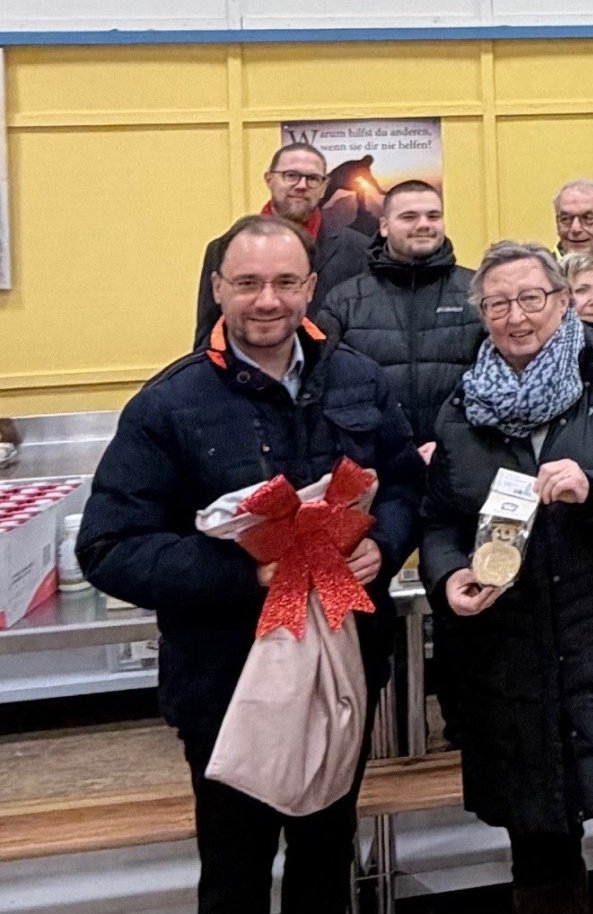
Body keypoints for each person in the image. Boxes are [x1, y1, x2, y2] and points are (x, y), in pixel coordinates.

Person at [80, 214, 423, 914]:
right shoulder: (168, 405)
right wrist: (244, 573)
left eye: (285, 282)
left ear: (311, 287)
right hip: (226, 682)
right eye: (248, 283)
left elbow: (407, 484)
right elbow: (108, 548)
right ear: (218, 289)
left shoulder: (358, 379)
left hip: (342, 669)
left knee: (325, 859)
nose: (267, 300)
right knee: (236, 872)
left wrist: (381, 545)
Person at [420, 242, 593, 914]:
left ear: (562, 300)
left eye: (530, 299)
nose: (516, 317)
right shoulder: (462, 408)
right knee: (540, 849)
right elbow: (437, 521)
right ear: (481, 314)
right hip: (512, 667)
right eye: (498, 303)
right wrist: (450, 575)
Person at [312, 180, 482, 461]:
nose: (424, 224)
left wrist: (458, 441)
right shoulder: (345, 300)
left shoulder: (478, 291)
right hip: (376, 466)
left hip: (461, 460)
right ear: (384, 226)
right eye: (409, 217)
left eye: (433, 216)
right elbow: (324, 387)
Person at [194, 143, 372, 348]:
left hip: (336, 375)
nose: (301, 185)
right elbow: (208, 337)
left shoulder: (358, 249)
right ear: (269, 180)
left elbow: (366, 333)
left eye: (313, 178)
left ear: (324, 187)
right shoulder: (223, 249)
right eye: (291, 175)